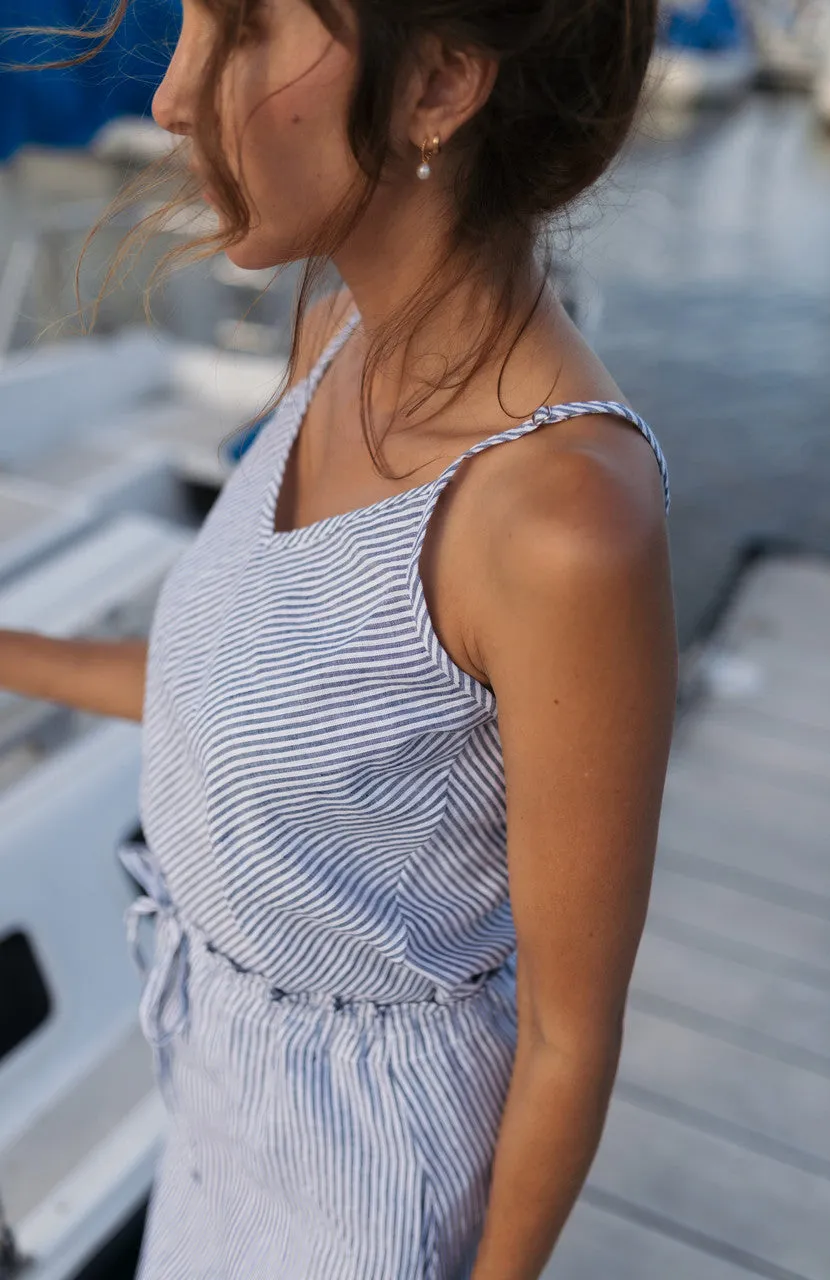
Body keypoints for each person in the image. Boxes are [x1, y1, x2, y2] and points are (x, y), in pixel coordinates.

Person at [0, 0, 679, 1276]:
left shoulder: (555, 521)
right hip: (210, 1114)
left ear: (436, 86)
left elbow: (568, 1036)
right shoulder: (335, 337)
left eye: (241, 29)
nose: (170, 98)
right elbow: (247, 692)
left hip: (364, 1199)